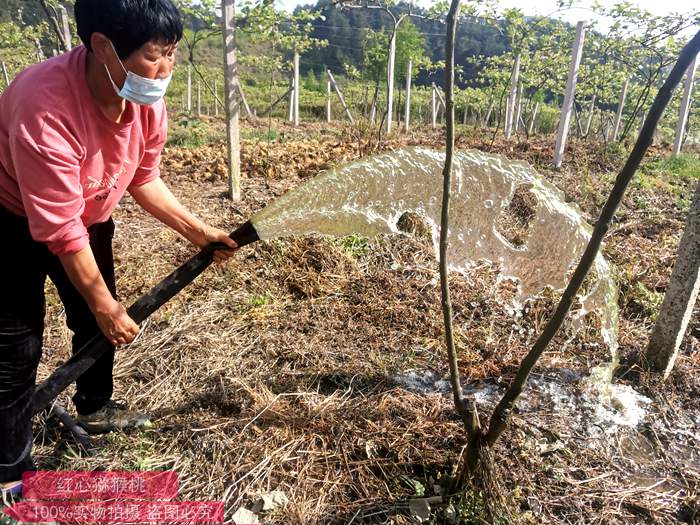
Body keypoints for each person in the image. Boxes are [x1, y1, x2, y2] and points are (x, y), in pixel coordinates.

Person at [0, 0, 238, 496]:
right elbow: (59, 227)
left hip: (87, 217)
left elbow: (144, 179)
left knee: (93, 325)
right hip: (10, 220)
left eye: (172, 53)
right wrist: (106, 303)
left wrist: (198, 232)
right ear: (103, 45)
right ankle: (8, 471)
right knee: (14, 346)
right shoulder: (43, 103)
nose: (166, 69)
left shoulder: (146, 102)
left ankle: (96, 404)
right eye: (155, 56)